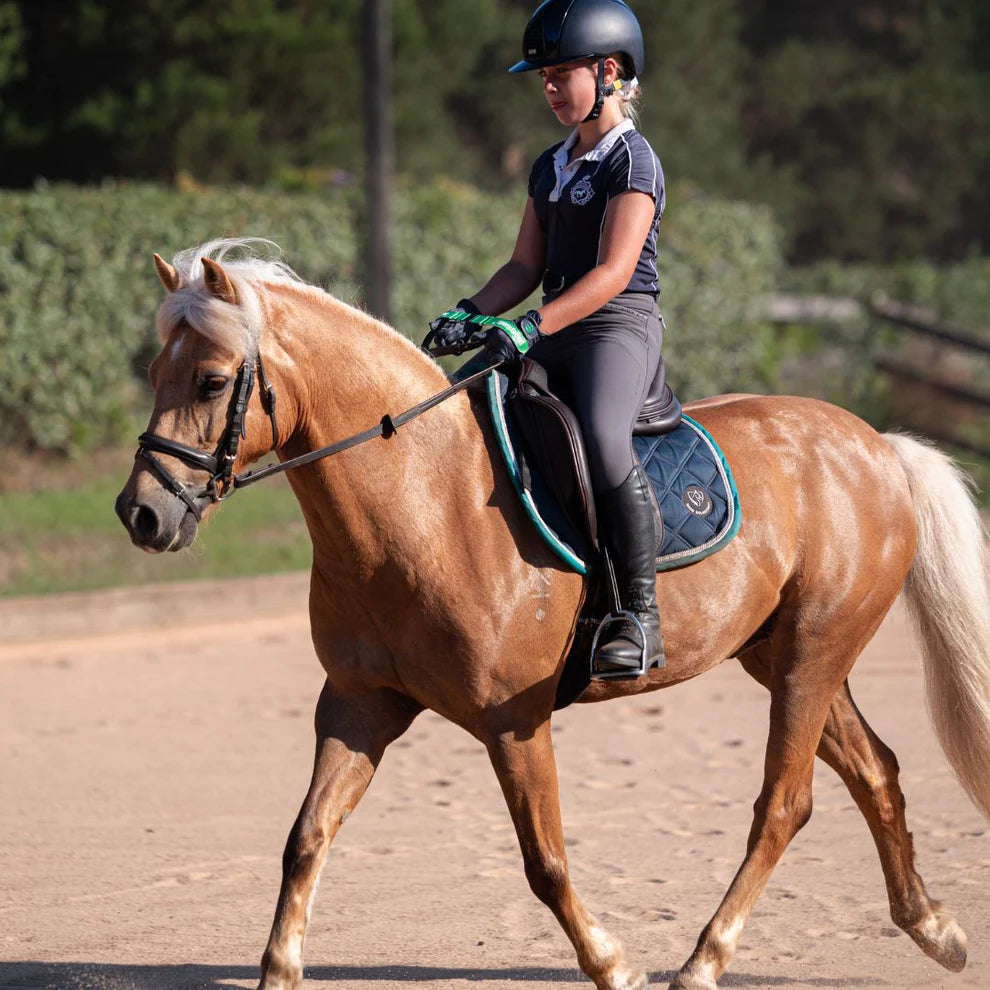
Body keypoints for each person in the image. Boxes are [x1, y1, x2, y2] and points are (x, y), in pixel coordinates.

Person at [429, 0, 666, 674]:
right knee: (455, 406)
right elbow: (526, 266)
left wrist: (529, 326)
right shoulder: (549, 165)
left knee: (599, 435)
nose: (552, 87)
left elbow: (616, 272)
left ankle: (639, 614)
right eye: (545, 78)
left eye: (563, 73)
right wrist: (469, 312)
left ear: (610, 71)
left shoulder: (635, 162)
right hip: (554, 323)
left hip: (618, 324)